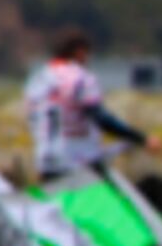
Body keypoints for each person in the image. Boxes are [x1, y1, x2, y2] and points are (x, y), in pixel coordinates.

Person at [22, 30, 151, 184]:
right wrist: (141, 138)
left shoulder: (36, 80)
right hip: (79, 162)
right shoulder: (80, 78)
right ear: (79, 52)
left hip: (45, 161)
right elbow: (101, 118)